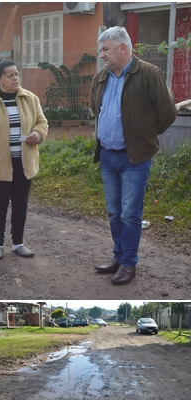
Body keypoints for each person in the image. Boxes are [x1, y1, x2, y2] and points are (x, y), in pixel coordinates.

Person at [91, 26, 177, 285]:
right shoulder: (101, 78)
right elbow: (97, 109)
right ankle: (118, 256)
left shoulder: (149, 74)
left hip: (135, 158)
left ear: (123, 48)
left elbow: (168, 112)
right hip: (107, 156)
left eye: (106, 50)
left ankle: (129, 263)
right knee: (114, 213)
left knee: (130, 213)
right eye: (101, 50)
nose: (102, 55)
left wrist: (144, 137)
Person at [0, 59, 48, 260]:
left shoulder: (30, 99)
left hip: (24, 161)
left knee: (20, 204)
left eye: (17, 74)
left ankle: (18, 243)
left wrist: (37, 135)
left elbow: (42, 122)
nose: (15, 78)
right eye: (10, 75)